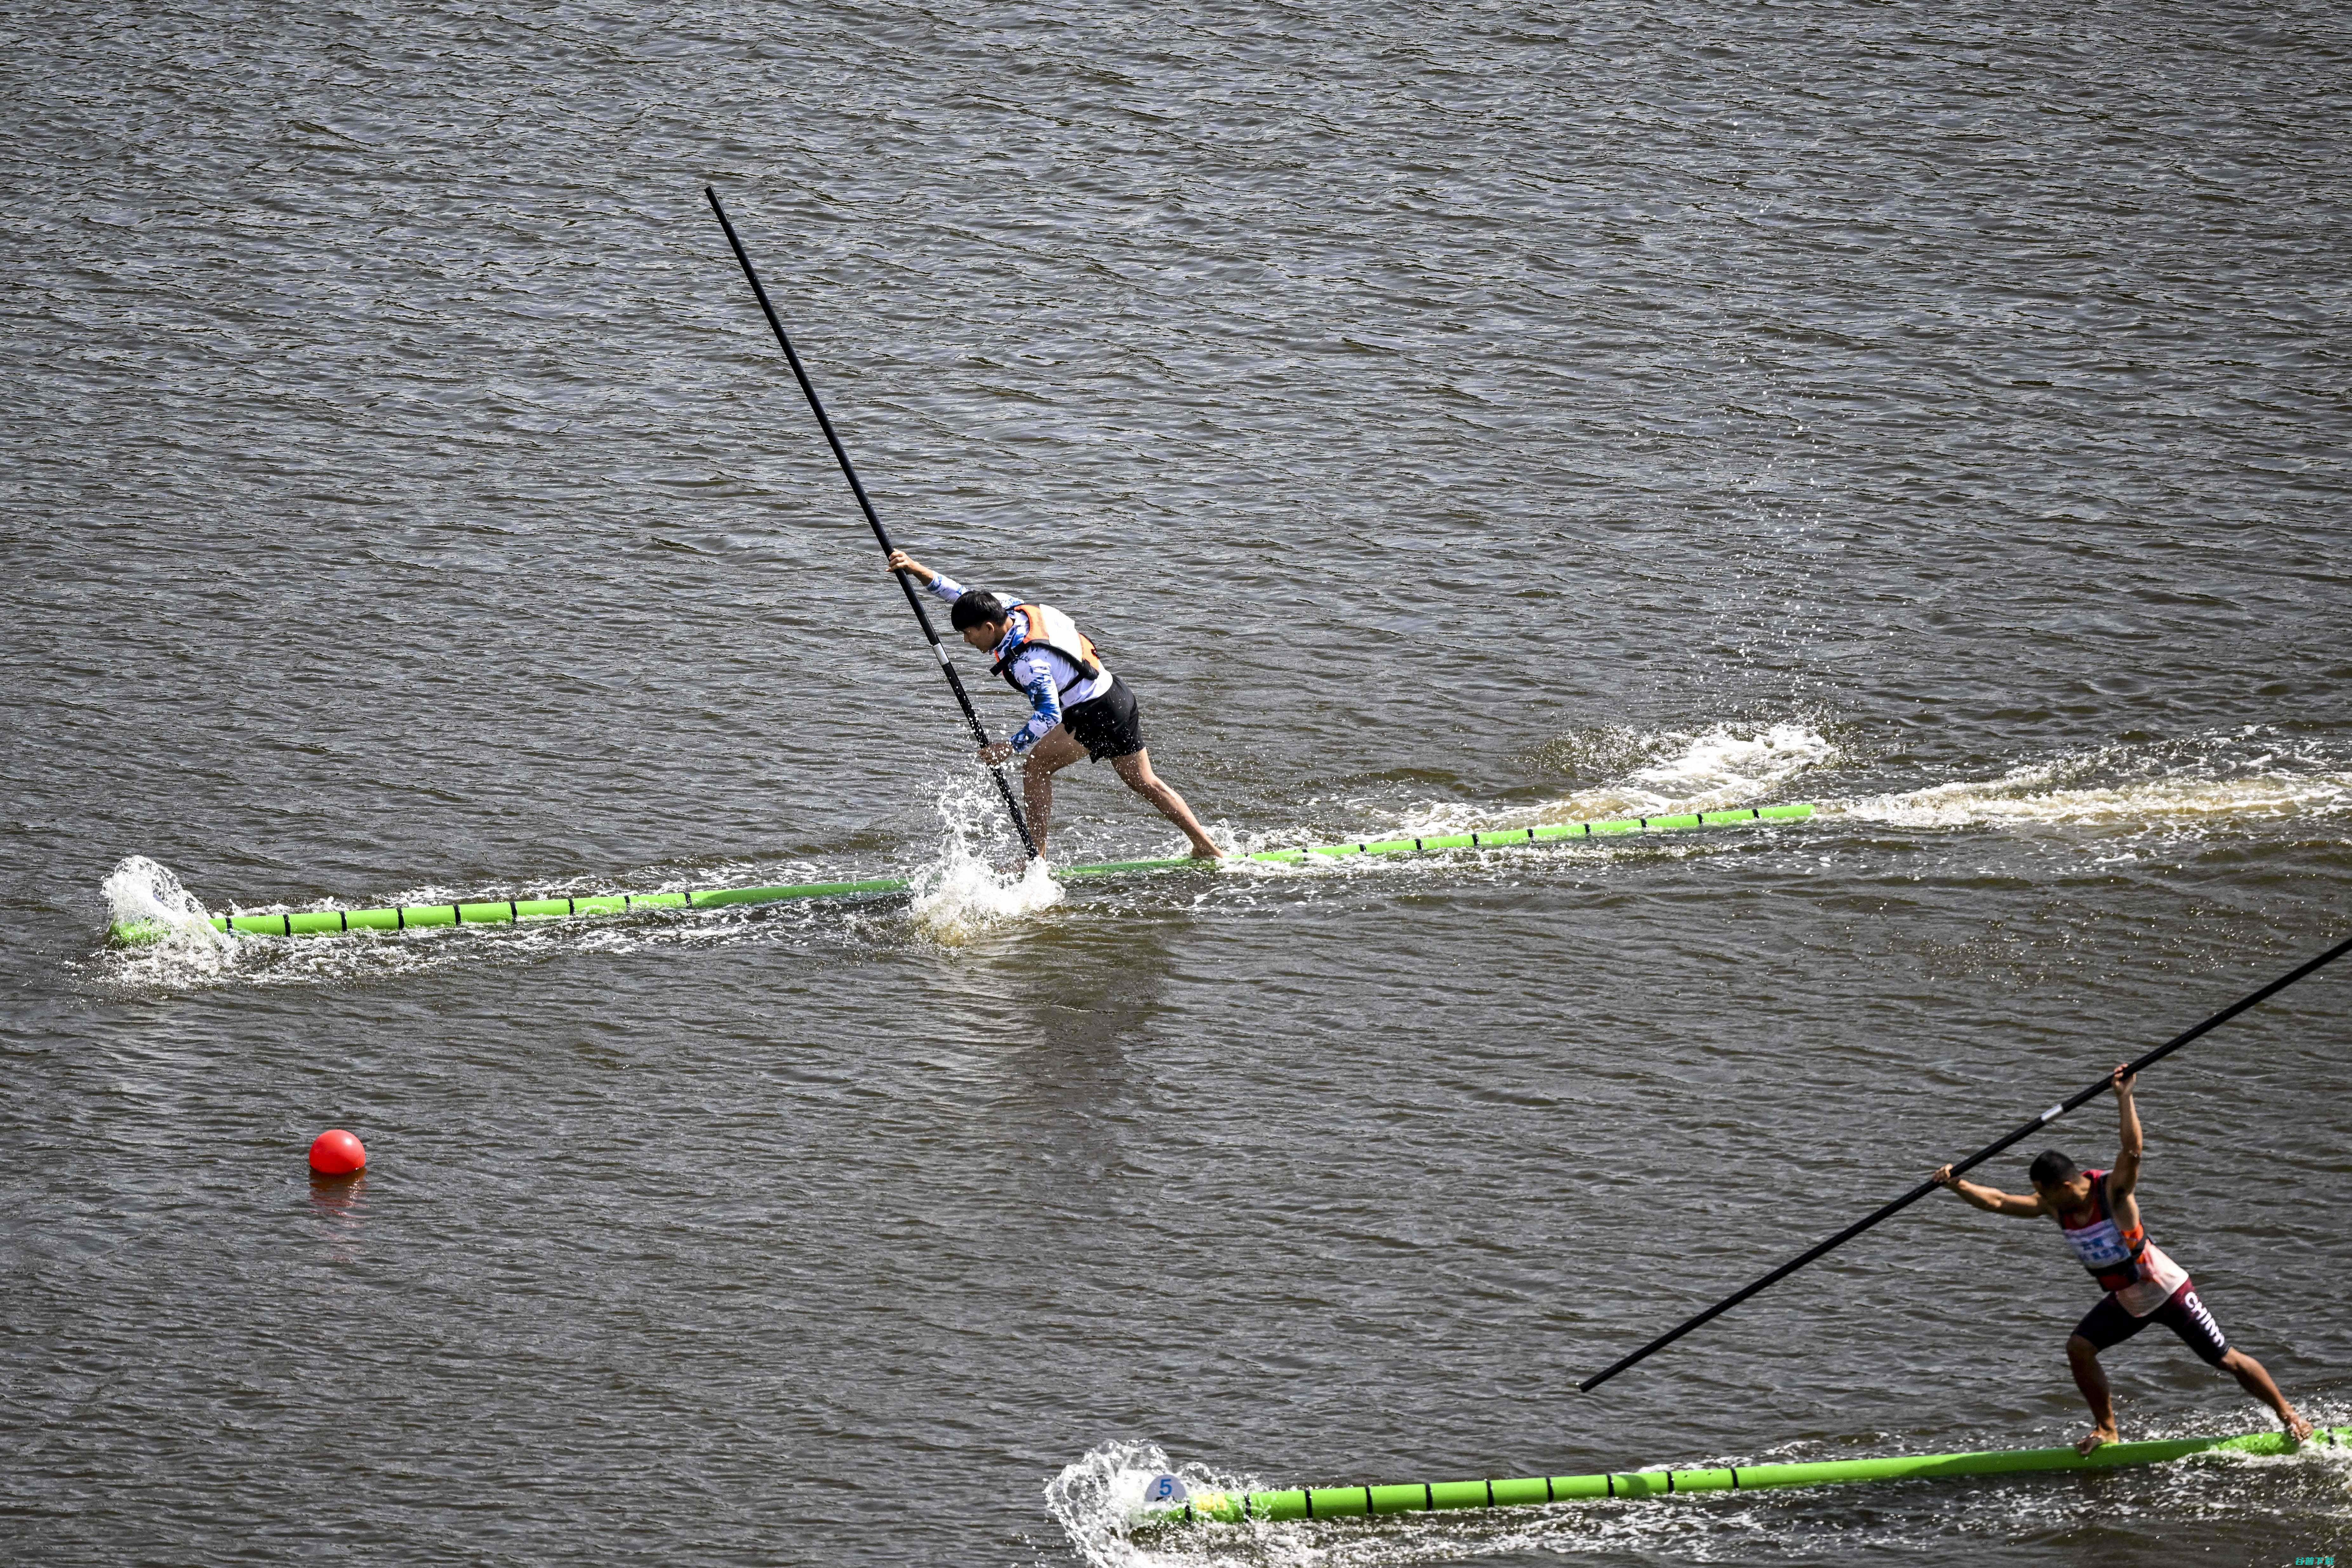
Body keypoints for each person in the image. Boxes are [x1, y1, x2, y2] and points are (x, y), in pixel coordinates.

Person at [1934, 1065, 2310, 1455]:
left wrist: (2124, 1096)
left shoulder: (2111, 1192)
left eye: (2042, 1192)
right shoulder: (2053, 1206)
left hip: (2166, 1290)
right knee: (2078, 1348)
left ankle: (2290, 1416)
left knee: (2226, 1360)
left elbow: (2132, 1151)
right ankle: (2107, 1429)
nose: (2038, 1199)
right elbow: (1996, 1201)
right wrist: (1956, 1183)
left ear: (2064, 1186)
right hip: (2128, 1300)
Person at [883, 549, 1225, 861]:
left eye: (969, 634)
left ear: (988, 627)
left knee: (1036, 766)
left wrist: (1010, 746)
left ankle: (1037, 858)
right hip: (1115, 694)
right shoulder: (1010, 607)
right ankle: (1207, 848)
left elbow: (1048, 713)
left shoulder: (1028, 663)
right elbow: (960, 594)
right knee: (1145, 782)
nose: (966, 640)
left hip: (1095, 713)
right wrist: (914, 569)